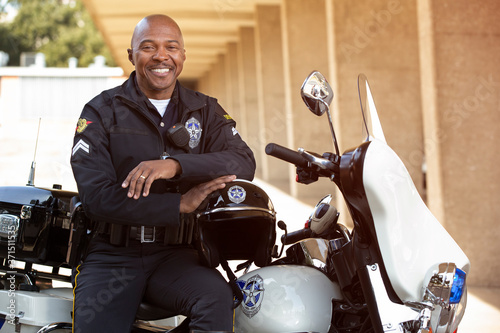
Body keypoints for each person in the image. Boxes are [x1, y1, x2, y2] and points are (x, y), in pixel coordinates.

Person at [70, 14, 255, 333]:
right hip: (113, 257)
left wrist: (176, 165)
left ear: (183, 55)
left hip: (176, 256)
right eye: (148, 47)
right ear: (131, 55)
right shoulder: (100, 111)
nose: (161, 56)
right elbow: (96, 198)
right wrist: (179, 205)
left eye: (172, 47)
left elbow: (242, 161)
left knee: (216, 298)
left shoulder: (205, 110)